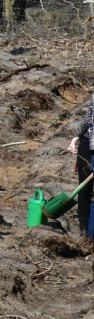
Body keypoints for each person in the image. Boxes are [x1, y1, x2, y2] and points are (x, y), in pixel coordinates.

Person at [67, 94, 94, 238]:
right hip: (86, 144)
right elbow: (87, 119)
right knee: (84, 189)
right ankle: (83, 230)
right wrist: (74, 140)